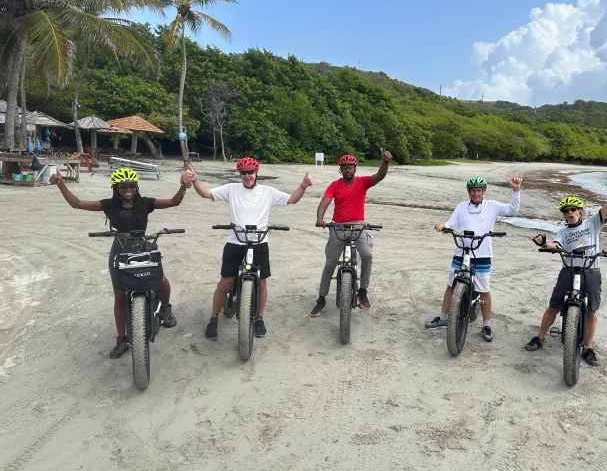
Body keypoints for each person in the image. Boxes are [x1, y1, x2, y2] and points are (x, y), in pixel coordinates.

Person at [50, 167, 190, 358]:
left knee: (162, 282)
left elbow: (174, 202)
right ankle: (121, 339)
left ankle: (165, 310)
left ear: (136, 187)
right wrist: (60, 183)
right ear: (116, 188)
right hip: (120, 249)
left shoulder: (145, 203)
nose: (128, 190)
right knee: (119, 295)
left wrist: (183, 187)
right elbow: (77, 203)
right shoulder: (109, 205)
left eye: (131, 186)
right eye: (123, 187)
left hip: (143, 246)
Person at [183, 158, 312, 340]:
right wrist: (195, 180)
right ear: (240, 174)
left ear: (256, 172)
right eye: (243, 173)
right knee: (225, 282)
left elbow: (291, 199)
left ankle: (259, 318)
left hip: (259, 242)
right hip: (235, 242)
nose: (247, 176)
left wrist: (303, 186)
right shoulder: (232, 189)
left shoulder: (267, 192)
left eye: (250, 172)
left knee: (261, 282)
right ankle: (213, 318)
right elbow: (206, 193)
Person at [524, 169, 607, 366]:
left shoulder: (593, 223)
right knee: (553, 306)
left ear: (580, 212)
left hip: (591, 271)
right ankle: (540, 337)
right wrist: (543, 244)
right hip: (568, 270)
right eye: (566, 211)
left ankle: (588, 348)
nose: (570, 213)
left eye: (573, 210)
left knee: (591, 313)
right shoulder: (561, 232)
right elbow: (555, 245)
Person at [425, 175, 523, 343]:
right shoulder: (461, 207)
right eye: (473, 190)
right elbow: (451, 222)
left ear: (483, 191)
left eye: (479, 190)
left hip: (482, 253)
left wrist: (516, 190)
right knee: (451, 285)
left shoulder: (492, 206)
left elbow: (512, 209)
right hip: (461, 251)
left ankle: (486, 325)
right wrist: (443, 226)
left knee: (484, 290)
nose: (476, 193)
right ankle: (443, 317)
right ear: (469, 192)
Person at [309, 148, 393, 317]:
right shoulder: (334, 185)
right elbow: (325, 201)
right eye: (345, 167)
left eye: (351, 167)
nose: (348, 169)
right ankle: (321, 298)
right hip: (338, 225)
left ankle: (362, 292)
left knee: (367, 255)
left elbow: (379, 176)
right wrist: (320, 218)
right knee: (330, 263)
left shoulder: (362, 182)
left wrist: (385, 162)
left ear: (355, 169)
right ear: (341, 169)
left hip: (358, 225)